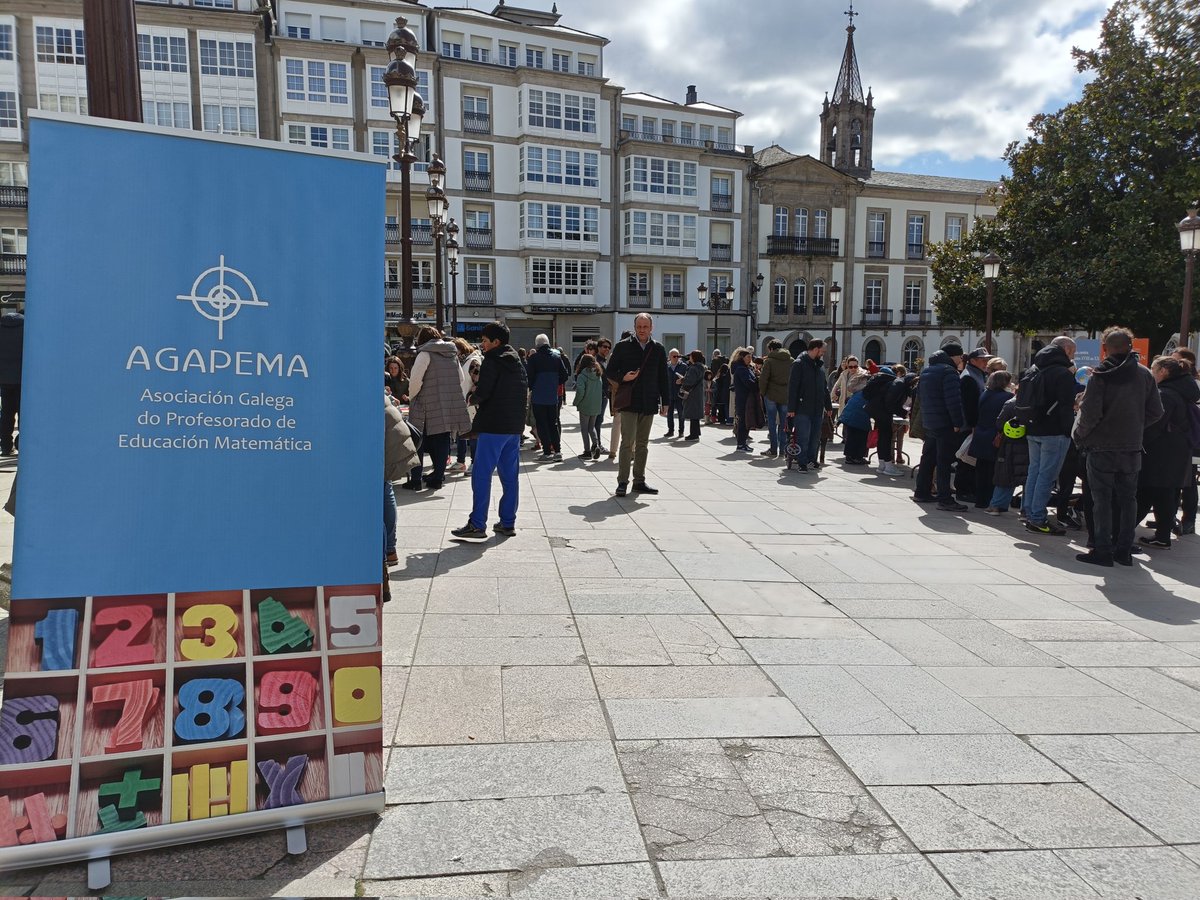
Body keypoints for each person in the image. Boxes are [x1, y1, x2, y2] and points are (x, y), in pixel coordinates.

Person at [1072, 327, 1163, 566]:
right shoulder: (1144, 374)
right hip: (1131, 446)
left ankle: (1102, 550)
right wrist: (1135, 427)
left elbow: (1089, 414)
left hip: (1101, 446)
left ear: (1104, 349)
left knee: (1101, 500)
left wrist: (1080, 437)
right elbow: (1156, 411)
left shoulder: (1100, 376)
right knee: (1128, 499)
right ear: (1130, 347)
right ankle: (1123, 550)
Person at [451, 321, 529, 542]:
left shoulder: (493, 361)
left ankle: (477, 524)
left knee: (482, 474)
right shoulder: (517, 361)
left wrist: (471, 397)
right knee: (509, 476)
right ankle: (507, 521)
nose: (482, 345)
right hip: (513, 428)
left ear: (496, 342)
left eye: (485, 341)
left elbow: (484, 392)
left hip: (493, 426)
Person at [1136, 357, 1199, 548]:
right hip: (1175, 452)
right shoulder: (1181, 391)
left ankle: (1125, 533)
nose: (1151, 372)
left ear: (1163, 371)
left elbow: (1155, 425)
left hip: (1161, 453)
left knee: (1150, 492)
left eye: (1153, 369)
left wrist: (1139, 441)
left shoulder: (1165, 394)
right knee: (1165, 494)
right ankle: (1161, 536)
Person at [1020, 336, 1080, 535]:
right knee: (1047, 475)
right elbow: (1065, 405)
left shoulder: (1033, 368)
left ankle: (1027, 511)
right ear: (1067, 351)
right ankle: (1037, 518)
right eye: (1073, 351)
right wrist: (1069, 430)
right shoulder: (1062, 373)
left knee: (1034, 472)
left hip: (1032, 427)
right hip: (1054, 431)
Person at [606, 313, 669, 496]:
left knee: (643, 444)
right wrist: (623, 377)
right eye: (639, 327)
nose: (642, 330)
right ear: (635, 328)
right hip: (629, 402)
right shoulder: (622, 346)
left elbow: (663, 377)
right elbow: (609, 371)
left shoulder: (658, 349)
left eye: (645, 327)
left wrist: (665, 401)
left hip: (649, 402)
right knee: (627, 443)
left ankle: (639, 481)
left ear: (651, 328)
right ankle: (623, 482)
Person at [406, 326, 471, 491]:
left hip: (425, 406)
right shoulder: (452, 354)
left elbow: (415, 382)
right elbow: (461, 378)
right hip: (446, 405)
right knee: (442, 441)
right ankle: (437, 478)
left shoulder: (424, 354)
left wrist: (413, 398)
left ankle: (415, 480)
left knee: (418, 440)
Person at [913, 342, 967, 511]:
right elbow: (953, 401)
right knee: (944, 461)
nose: (961, 359)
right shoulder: (949, 372)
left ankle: (921, 491)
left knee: (928, 458)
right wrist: (958, 422)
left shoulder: (927, 371)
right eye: (960, 356)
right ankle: (945, 498)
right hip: (944, 423)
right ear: (953, 356)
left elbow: (920, 398)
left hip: (930, 421)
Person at [384, 391, 420, 567]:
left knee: (383, 489)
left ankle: (387, 550)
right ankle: (390, 550)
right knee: (385, 489)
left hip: (384, 435)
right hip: (390, 431)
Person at [786, 339, 832, 473]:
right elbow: (793, 388)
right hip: (802, 408)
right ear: (816, 349)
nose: (823, 354)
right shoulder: (799, 364)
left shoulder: (819, 366)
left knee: (815, 436)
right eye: (822, 351)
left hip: (817, 408)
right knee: (803, 436)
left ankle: (812, 459)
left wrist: (828, 406)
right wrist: (791, 409)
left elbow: (824, 387)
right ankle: (802, 462)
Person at [969, 370, 1013, 509]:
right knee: (993, 470)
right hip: (995, 436)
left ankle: (980, 499)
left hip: (981, 433)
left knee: (981, 469)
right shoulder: (1007, 397)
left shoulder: (984, 394)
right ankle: (989, 499)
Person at [955, 348, 992, 501]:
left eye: (986, 359)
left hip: (972, 424)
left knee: (970, 460)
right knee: (966, 460)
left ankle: (968, 489)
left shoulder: (976, 375)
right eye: (982, 359)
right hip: (969, 426)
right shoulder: (970, 377)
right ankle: (963, 490)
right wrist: (973, 425)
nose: (985, 362)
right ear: (973, 360)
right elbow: (969, 405)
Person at [525, 334, 570, 462]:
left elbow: (529, 378)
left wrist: (535, 386)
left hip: (538, 397)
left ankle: (546, 452)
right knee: (553, 423)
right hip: (552, 396)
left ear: (537, 345)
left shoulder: (533, 359)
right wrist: (554, 383)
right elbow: (565, 375)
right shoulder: (557, 357)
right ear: (548, 343)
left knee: (542, 424)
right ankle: (558, 451)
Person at [987, 390, 1029, 515]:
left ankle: (996, 506)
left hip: (1009, 445)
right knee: (1029, 478)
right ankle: (1026, 510)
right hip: (1028, 445)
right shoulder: (1035, 404)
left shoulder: (1011, 403)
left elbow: (999, 423)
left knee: (1005, 475)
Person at [1171, 347, 1198, 535]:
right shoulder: (1177, 384)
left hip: (1190, 440)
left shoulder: (1193, 385)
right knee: (1172, 482)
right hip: (1178, 439)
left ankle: (1188, 519)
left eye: (1175, 360)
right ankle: (1167, 518)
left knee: (1188, 482)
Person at [863, 366, 900, 475]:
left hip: (875, 411)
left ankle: (882, 464)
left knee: (882, 437)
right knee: (886, 437)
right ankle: (888, 465)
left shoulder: (877, 381)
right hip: (883, 412)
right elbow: (890, 400)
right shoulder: (891, 382)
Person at [758, 339, 792, 458]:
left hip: (771, 394)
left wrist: (762, 393)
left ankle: (773, 449)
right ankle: (782, 449)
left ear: (771, 349)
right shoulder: (790, 360)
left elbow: (763, 379)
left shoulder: (769, 361)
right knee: (783, 423)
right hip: (786, 394)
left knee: (771, 422)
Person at [572, 353, 604, 460]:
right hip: (596, 405)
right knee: (592, 427)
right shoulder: (598, 374)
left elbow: (580, 391)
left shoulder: (582, 375)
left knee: (584, 429)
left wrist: (576, 402)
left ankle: (587, 451)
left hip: (585, 405)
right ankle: (596, 444)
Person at [0, 309, 22, 457]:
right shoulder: (27, 329)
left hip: (4, 379)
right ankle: (21, 443)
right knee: (24, 414)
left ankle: (6, 446)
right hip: (23, 380)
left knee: (6, 414)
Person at [730, 348, 759, 452]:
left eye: (751, 357)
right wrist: (757, 384)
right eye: (748, 357)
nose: (750, 359)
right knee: (743, 422)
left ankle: (743, 443)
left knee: (745, 421)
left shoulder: (746, 368)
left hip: (746, 398)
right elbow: (749, 383)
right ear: (742, 358)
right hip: (743, 399)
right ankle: (741, 444)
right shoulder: (741, 369)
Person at [680, 350, 707, 441]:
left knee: (693, 415)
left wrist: (682, 380)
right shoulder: (701, 367)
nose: (689, 357)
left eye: (691, 356)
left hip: (692, 393)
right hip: (698, 392)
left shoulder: (693, 368)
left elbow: (690, 381)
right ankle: (696, 433)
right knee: (695, 415)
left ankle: (694, 434)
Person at [594, 338, 612, 453]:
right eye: (604, 347)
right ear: (599, 347)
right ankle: (597, 445)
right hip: (598, 395)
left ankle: (596, 444)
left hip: (604, 395)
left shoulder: (604, 360)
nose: (607, 349)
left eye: (609, 347)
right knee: (597, 421)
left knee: (598, 421)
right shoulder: (596, 361)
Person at [665, 348, 688, 437]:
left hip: (680, 394)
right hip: (669, 393)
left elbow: (688, 378)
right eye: (674, 356)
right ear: (670, 357)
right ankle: (670, 430)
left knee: (681, 413)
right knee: (669, 414)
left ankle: (681, 431)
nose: (676, 357)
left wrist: (682, 380)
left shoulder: (684, 366)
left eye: (677, 356)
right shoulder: (666, 367)